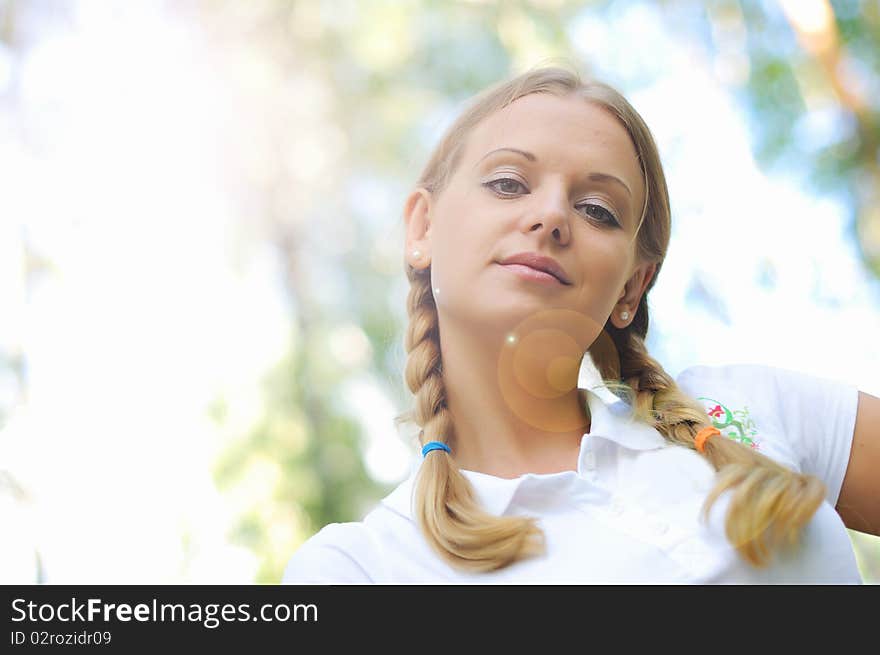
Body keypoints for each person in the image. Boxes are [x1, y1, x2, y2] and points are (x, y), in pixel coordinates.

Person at [281, 65, 879, 584]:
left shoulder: (751, 405)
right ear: (422, 229)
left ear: (631, 287)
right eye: (508, 183)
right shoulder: (359, 570)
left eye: (597, 210)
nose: (549, 216)